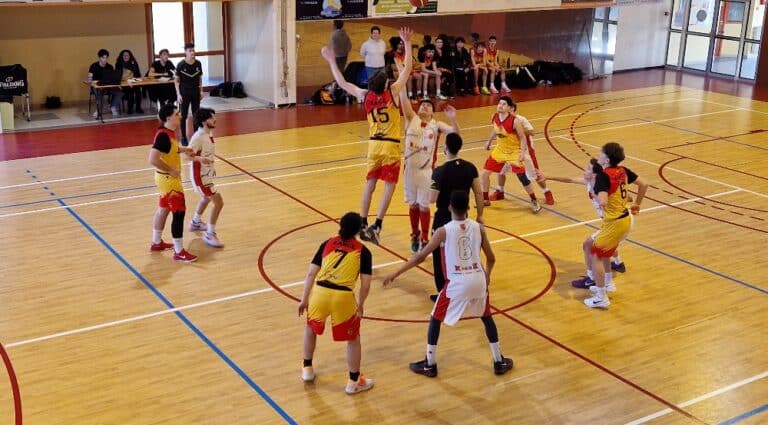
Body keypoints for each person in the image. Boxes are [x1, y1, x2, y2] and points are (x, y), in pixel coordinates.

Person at [383, 191, 513, 378]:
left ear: (450, 207)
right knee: (486, 317)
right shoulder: (479, 228)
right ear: (469, 208)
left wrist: (396, 272)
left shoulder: (443, 231)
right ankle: (498, 361)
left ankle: (430, 363)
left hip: (457, 283)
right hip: (478, 280)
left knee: (435, 319)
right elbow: (491, 258)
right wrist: (488, 276)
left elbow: (420, 257)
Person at [321, 27, 414, 245]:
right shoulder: (391, 92)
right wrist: (407, 43)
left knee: (370, 185)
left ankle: (362, 222)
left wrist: (331, 61)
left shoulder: (365, 95)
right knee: (389, 186)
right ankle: (377, 225)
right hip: (390, 146)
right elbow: (407, 69)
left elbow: (342, 83)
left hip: (373, 147)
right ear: (385, 85)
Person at [538, 143, 648, 309]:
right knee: (597, 248)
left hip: (616, 222)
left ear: (606, 159)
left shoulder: (602, 179)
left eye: (601, 153)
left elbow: (603, 201)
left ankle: (601, 296)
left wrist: (597, 195)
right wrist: (636, 203)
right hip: (622, 220)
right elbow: (643, 184)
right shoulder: (622, 170)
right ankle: (609, 280)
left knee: (595, 252)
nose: (584, 170)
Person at [297, 212, 374, 395]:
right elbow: (366, 284)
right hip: (343, 297)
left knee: (310, 329)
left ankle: (307, 369)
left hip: (320, 293)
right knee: (353, 340)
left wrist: (304, 299)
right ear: (358, 230)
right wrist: (361, 304)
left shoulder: (327, 243)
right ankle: (353, 381)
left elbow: (310, 274)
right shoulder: (363, 251)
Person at [537, 159, 625, 291]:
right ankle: (618, 264)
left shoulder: (601, 188)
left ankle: (592, 280)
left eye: (588, 169)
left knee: (588, 245)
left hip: (616, 223)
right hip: (615, 222)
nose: (584, 171)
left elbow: (610, 199)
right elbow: (569, 179)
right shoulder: (590, 182)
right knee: (606, 247)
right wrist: (548, 177)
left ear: (595, 174)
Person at [396, 76, 459, 253]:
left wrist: (453, 119)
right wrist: (402, 75)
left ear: (432, 112)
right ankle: (414, 234)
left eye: (428, 105)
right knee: (413, 205)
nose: (424, 106)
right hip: (409, 171)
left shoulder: (436, 125)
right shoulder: (411, 118)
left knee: (424, 205)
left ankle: (424, 236)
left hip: (426, 172)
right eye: (422, 104)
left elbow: (455, 135)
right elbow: (403, 98)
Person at [427, 133, 485, 301]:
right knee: (461, 253)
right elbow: (479, 193)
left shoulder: (439, 172)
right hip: (462, 216)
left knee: (440, 256)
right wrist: (480, 215)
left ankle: (443, 292)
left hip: (443, 218)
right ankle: (465, 287)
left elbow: (432, 199)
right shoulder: (470, 167)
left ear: (445, 148)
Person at [148, 104, 197, 263]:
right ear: (168, 117)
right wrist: (171, 170)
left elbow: (171, 149)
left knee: (163, 209)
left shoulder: (169, 133)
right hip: (169, 181)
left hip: (164, 180)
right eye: (177, 114)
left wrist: (184, 150)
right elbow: (153, 159)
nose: (180, 116)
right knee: (179, 212)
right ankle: (179, 251)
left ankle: (156, 242)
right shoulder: (163, 135)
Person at [481, 96, 542, 213]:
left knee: (522, 177)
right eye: (499, 103)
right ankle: (485, 200)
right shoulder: (494, 116)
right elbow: (495, 129)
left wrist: (522, 153)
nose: (500, 105)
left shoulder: (515, 121)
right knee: (484, 174)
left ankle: (534, 200)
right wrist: (488, 141)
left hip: (514, 151)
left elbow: (523, 137)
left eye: (503, 104)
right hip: (500, 150)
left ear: (509, 108)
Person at [494, 104, 555, 206]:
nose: (502, 107)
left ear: (511, 108)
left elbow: (532, 131)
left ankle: (546, 191)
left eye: (505, 105)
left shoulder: (520, 119)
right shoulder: (501, 118)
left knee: (535, 174)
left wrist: (517, 130)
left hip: (526, 151)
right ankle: (500, 192)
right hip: (508, 151)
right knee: (500, 170)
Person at [187, 107, 224, 248]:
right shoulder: (198, 137)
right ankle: (209, 233)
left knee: (206, 198)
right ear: (203, 121)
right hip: (200, 178)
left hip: (206, 176)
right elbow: (186, 155)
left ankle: (195, 222)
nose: (215, 119)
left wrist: (211, 168)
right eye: (211, 117)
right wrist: (199, 159)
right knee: (219, 203)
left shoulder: (208, 134)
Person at [175, 43, 204, 146]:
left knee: (196, 114)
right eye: (190, 50)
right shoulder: (180, 65)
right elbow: (177, 81)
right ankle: (183, 136)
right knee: (183, 115)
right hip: (184, 93)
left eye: (193, 50)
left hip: (195, 92)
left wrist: (201, 90)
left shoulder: (198, 64)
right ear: (185, 52)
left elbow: (200, 78)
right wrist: (178, 94)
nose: (192, 52)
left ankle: (196, 135)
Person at [87, 49, 122, 117]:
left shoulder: (110, 66)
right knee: (99, 94)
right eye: (103, 57)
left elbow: (113, 78)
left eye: (106, 57)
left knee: (119, 92)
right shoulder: (93, 66)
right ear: (99, 58)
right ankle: (99, 110)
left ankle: (113, 107)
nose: (105, 59)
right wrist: (91, 82)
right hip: (97, 86)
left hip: (108, 86)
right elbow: (89, 78)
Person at [114, 49, 143, 115]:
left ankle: (138, 108)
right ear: (121, 56)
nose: (125, 56)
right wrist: (127, 82)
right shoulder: (118, 64)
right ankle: (130, 108)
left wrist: (135, 80)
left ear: (130, 56)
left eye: (127, 55)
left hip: (133, 82)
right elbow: (117, 76)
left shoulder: (134, 63)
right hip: (123, 83)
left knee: (138, 91)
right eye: (124, 55)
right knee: (130, 92)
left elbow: (138, 74)